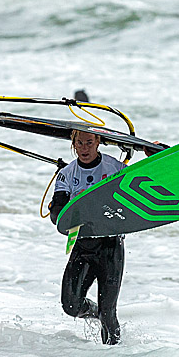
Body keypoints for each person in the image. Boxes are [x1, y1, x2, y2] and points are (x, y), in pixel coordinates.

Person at [48, 130, 128, 345]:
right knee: (70, 306)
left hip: (110, 246)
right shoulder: (67, 173)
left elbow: (145, 186)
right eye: (80, 143)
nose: (84, 148)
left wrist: (155, 152)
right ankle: (96, 313)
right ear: (73, 144)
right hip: (83, 245)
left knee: (109, 312)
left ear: (98, 142)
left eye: (89, 143)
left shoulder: (116, 169)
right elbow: (57, 212)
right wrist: (62, 213)